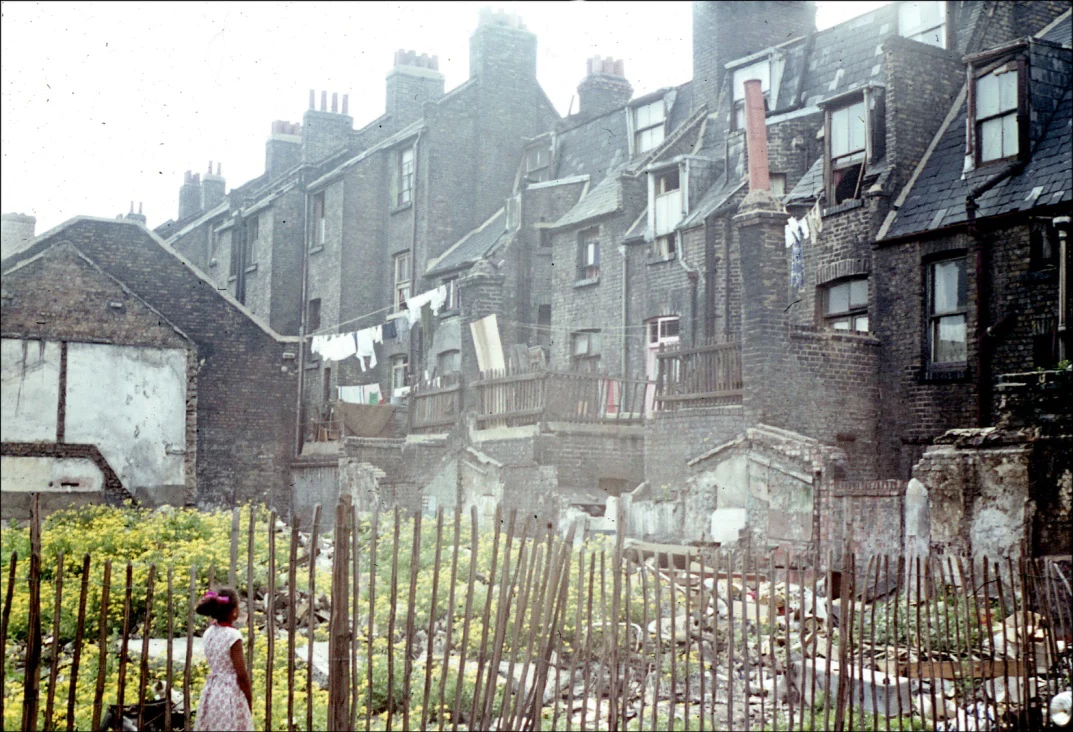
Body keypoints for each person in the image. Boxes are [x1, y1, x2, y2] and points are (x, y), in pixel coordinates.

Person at [193, 587, 254, 731]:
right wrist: (248, 699)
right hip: (230, 695)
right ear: (234, 611)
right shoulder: (233, 636)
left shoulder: (209, 633)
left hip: (212, 692)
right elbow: (242, 675)